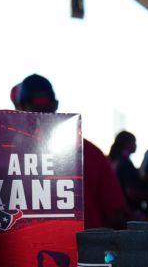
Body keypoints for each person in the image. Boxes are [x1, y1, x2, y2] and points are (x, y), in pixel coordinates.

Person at [11, 74, 127, 229]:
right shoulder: (90, 152)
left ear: (19, 108)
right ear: (55, 105)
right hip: (87, 249)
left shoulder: (2, 155)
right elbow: (116, 215)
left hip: (27, 251)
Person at [108, 131, 147, 217]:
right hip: (129, 210)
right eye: (134, 142)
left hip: (117, 209)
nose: (136, 145)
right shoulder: (125, 163)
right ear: (127, 143)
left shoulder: (113, 160)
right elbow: (131, 192)